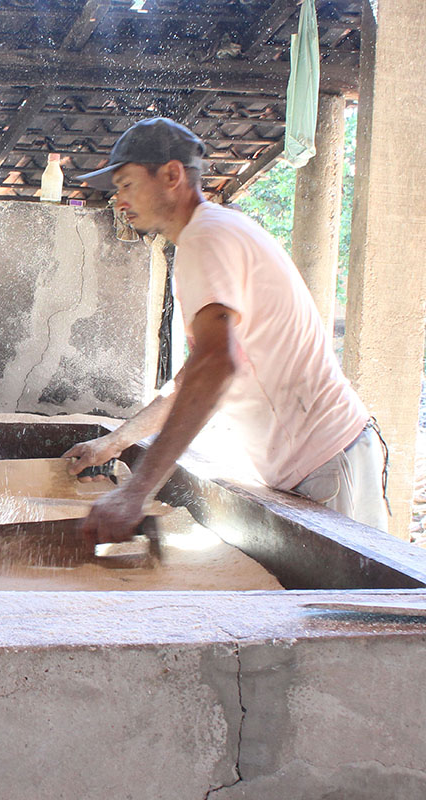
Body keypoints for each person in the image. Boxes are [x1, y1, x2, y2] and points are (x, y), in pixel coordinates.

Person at [64, 117, 389, 544]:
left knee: (353, 605)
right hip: (325, 460)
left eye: (126, 184)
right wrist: (116, 442)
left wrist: (135, 493)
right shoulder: (212, 234)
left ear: (172, 175)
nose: (119, 200)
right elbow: (192, 379)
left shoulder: (206, 238)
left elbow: (217, 366)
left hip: (327, 459)